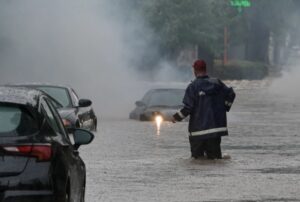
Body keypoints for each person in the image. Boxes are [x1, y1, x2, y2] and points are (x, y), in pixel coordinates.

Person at [172, 59, 235, 159]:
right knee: (215, 162)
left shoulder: (192, 87)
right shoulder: (217, 83)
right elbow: (231, 94)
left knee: (197, 162)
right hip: (215, 132)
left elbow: (188, 108)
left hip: (198, 133)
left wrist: (176, 117)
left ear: (195, 71)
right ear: (206, 69)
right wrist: (225, 107)